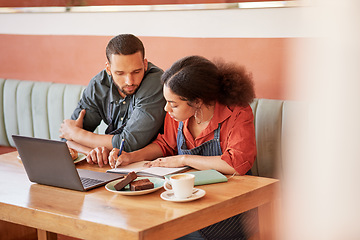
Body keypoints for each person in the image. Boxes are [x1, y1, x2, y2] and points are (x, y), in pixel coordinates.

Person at [108, 55, 258, 239]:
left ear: (198, 101)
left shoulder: (237, 113)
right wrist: (132, 156)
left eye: (173, 104)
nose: (166, 109)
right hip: (184, 199)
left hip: (227, 206)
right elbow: (165, 145)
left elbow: (236, 164)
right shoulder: (176, 116)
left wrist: (183, 159)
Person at [59, 34, 166, 167]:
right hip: (114, 165)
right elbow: (67, 139)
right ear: (108, 69)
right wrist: (93, 152)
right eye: (120, 73)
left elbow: (128, 143)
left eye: (136, 71)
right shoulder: (98, 85)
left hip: (152, 166)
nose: (130, 81)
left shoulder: (155, 81)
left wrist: (77, 133)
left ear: (145, 64)